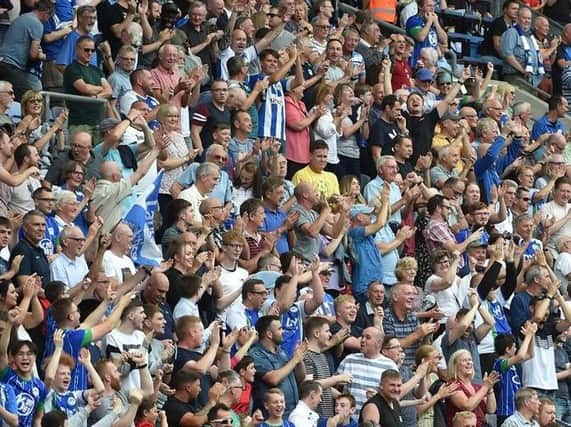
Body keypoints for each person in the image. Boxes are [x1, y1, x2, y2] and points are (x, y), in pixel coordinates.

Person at [445, 349, 499, 427]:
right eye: (464, 360)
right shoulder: (452, 385)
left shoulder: (477, 387)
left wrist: (490, 389)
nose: (469, 362)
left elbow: (491, 410)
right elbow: (468, 406)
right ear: (455, 365)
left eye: (470, 360)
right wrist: (485, 387)